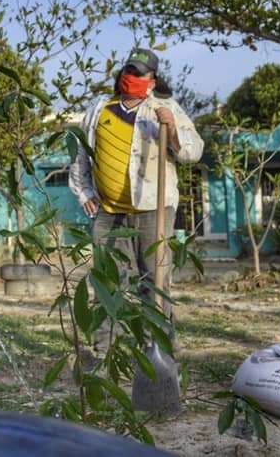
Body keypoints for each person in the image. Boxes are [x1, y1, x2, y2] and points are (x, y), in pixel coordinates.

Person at [69, 48, 204, 354]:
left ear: (152, 80)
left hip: (153, 210)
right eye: (129, 71)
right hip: (108, 212)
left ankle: (158, 351)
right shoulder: (100, 108)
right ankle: (105, 352)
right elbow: (80, 155)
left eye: (140, 74)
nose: (132, 78)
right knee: (107, 284)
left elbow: (192, 152)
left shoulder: (165, 108)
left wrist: (171, 132)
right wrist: (84, 191)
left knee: (154, 283)